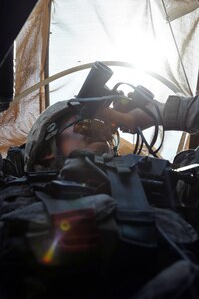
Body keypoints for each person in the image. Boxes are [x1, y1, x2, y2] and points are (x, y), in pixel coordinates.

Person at [0, 91, 199, 299]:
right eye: (86, 125)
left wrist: (160, 112)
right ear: (46, 150)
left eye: (107, 130)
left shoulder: (167, 184)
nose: (101, 134)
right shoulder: (13, 189)